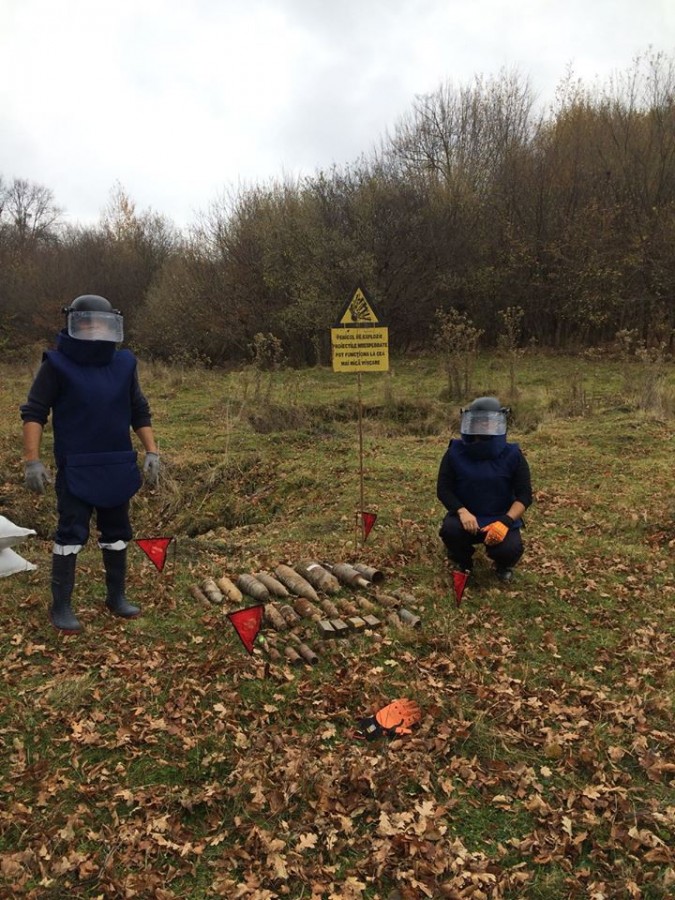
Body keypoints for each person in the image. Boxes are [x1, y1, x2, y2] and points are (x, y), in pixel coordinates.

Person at [20, 294, 160, 633]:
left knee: (117, 533)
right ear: (75, 322)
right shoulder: (56, 364)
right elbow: (35, 412)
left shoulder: (124, 363)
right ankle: (62, 607)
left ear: (112, 324)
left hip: (116, 464)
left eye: (101, 322)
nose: (95, 328)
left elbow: (138, 409)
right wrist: (32, 461)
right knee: (71, 534)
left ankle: (116, 597)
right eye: (88, 321)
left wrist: (152, 451)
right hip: (76, 467)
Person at [437, 396, 532, 582]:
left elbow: (525, 496)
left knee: (509, 549)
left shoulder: (513, 455)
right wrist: (462, 512)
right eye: (478, 421)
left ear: (499, 423)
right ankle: (462, 560)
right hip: (466, 517)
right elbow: (443, 489)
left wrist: (505, 522)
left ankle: (503, 565)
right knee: (450, 530)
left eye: (487, 422)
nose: (482, 427)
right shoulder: (454, 452)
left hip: (499, 518)